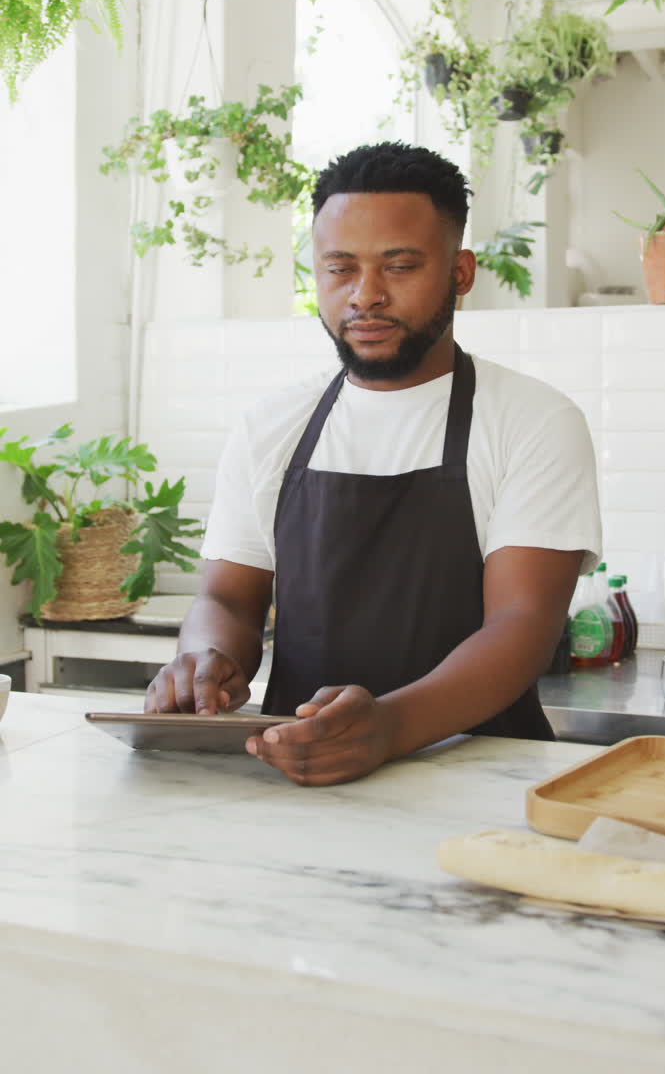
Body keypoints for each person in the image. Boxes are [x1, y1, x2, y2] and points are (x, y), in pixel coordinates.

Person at [145, 142, 601, 784]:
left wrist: (388, 726)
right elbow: (228, 595)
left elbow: (522, 625)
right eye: (339, 269)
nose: (366, 296)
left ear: (461, 273)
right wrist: (206, 658)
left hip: (482, 776)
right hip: (293, 772)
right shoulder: (273, 424)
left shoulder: (532, 420)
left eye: (400, 267)